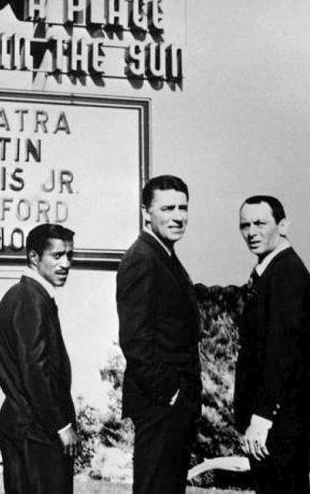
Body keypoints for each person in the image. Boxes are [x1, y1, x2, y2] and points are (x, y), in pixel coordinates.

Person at [116, 175, 201, 494]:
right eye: (167, 208)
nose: (178, 216)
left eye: (183, 207)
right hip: (159, 403)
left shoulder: (164, 256)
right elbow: (135, 339)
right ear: (145, 212)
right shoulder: (142, 259)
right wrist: (169, 392)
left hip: (173, 406)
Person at [234, 195, 310, 494]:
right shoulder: (274, 273)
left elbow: (281, 354)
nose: (252, 232)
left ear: (283, 226)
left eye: (260, 223)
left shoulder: (286, 275)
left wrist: (261, 419)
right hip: (279, 424)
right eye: (245, 225)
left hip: (278, 425)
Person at [0, 223, 80, 494]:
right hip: (36, 432)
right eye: (57, 255)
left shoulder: (26, 296)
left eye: (69, 256)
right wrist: (61, 425)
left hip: (27, 426)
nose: (65, 263)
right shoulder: (30, 299)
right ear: (33, 257)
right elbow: (36, 369)